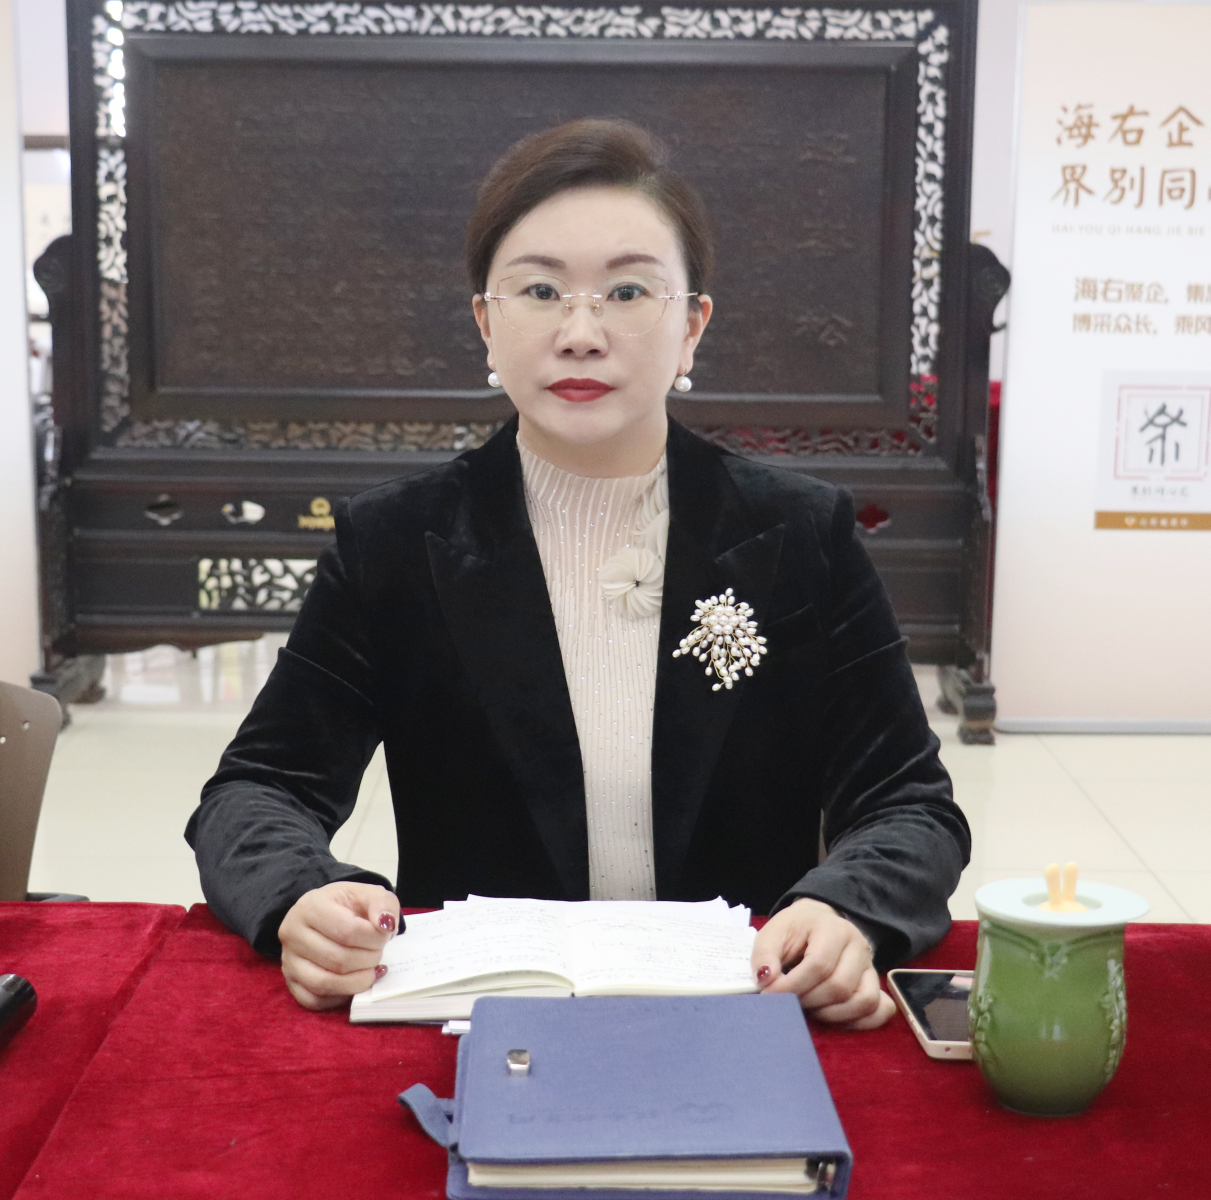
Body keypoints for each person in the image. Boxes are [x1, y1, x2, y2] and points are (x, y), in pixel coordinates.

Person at [186, 118, 969, 1028]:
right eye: (539, 291)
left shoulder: (797, 534)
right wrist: (303, 894)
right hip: (483, 1023)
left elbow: (909, 805)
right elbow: (257, 791)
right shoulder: (396, 541)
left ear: (691, 326)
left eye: (628, 291)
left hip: (742, 1014)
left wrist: (845, 909)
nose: (581, 333)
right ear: (486, 324)